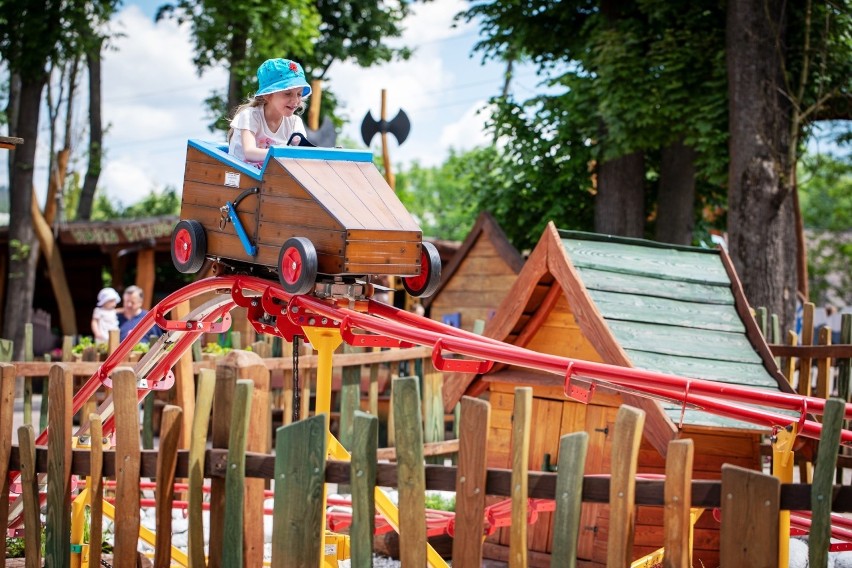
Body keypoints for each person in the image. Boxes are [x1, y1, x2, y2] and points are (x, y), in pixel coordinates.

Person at [228, 58, 312, 164]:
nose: (295, 100)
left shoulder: (295, 123)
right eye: (287, 93)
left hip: (271, 176)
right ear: (267, 95)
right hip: (242, 175)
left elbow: (301, 154)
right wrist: (285, 153)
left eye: (299, 94)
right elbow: (249, 153)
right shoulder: (250, 116)